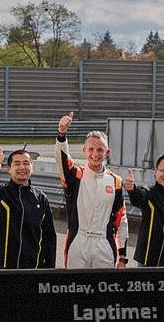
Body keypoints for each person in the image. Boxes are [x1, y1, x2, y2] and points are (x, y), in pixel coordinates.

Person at [55, 111, 128, 268]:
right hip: (78, 242)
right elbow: (61, 160)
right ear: (84, 151)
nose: (95, 154)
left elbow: (121, 220)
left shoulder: (116, 182)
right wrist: (62, 134)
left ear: (107, 152)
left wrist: (122, 256)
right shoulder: (75, 175)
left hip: (104, 244)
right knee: (74, 287)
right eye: (91, 149)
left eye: (100, 150)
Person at [0, 148, 57, 269]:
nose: (22, 167)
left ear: (32, 167)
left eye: (26, 163)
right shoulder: (0, 193)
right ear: (9, 169)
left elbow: (49, 236)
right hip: (3, 265)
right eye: (17, 163)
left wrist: (49, 268)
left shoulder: (41, 198)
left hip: (32, 266)